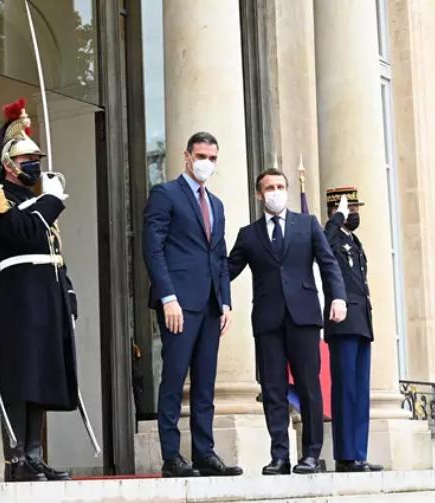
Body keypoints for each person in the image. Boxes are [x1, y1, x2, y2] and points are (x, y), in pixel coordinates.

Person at [0, 98, 78, 482]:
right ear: (7, 164)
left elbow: (54, 247)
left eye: (35, 159)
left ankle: (34, 454)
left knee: (41, 375)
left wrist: (67, 290)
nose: (33, 166)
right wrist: (51, 201)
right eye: (26, 160)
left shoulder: (35, 201)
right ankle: (17, 458)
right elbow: (21, 234)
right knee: (20, 376)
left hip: (46, 292)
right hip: (17, 295)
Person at [228, 168, 347, 475]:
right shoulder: (248, 234)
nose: (276, 192)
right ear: (259, 194)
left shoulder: (307, 225)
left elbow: (328, 263)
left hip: (304, 316)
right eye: (269, 187)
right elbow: (226, 270)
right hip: (268, 320)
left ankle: (310, 454)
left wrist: (338, 297)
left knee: (309, 387)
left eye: (280, 186)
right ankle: (279, 455)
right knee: (273, 389)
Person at [142, 132, 241, 478]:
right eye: (201, 156)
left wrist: (225, 301)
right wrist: (167, 297)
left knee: (205, 383)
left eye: (213, 158)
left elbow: (220, 255)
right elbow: (153, 249)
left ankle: (204, 452)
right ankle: (172, 455)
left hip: (211, 305)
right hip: (178, 304)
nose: (206, 163)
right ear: (186, 156)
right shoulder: (165, 194)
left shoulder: (216, 205)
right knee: (173, 378)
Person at [322, 187, 383, 473]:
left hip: (361, 320)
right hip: (342, 321)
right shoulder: (331, 236)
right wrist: (335, 220)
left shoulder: (354, 241)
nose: (356, 214)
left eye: (356, 209)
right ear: (337, 211)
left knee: (360, 391)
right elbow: (320, 246)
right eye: (351, 209)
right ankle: (345, 455)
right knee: (345, 389)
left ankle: (359, 452)